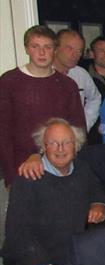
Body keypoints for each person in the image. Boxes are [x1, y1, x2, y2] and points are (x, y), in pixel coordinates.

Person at [3, 119, 105, 265]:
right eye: (53, 143)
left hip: (69, 254)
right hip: (30, 257)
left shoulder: (82, 169)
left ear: (76, 146)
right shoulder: (29, 178)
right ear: (43, 147)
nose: (60, 148)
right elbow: (16, 231)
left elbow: (97, 191)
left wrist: (99, 204)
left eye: (66, 143)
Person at [0, 25, 85, 185]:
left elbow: (78, 130)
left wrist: (77, 169)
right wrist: (10, 176)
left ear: (55, 50)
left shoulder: (67, 85)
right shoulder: (9, 82)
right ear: (26, 49)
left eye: (47, 47)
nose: (42, 52)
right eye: (35, 46)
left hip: (60, 167)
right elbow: (3, 131)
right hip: (21, 168)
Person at [53, 29, 102, 131]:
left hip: (76, 137)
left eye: (79, 51)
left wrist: (84, 124)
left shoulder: (81, 74)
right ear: (56, 48)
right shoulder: (43, 74)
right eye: (69, 48)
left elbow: (95, 99)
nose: (75, 54)